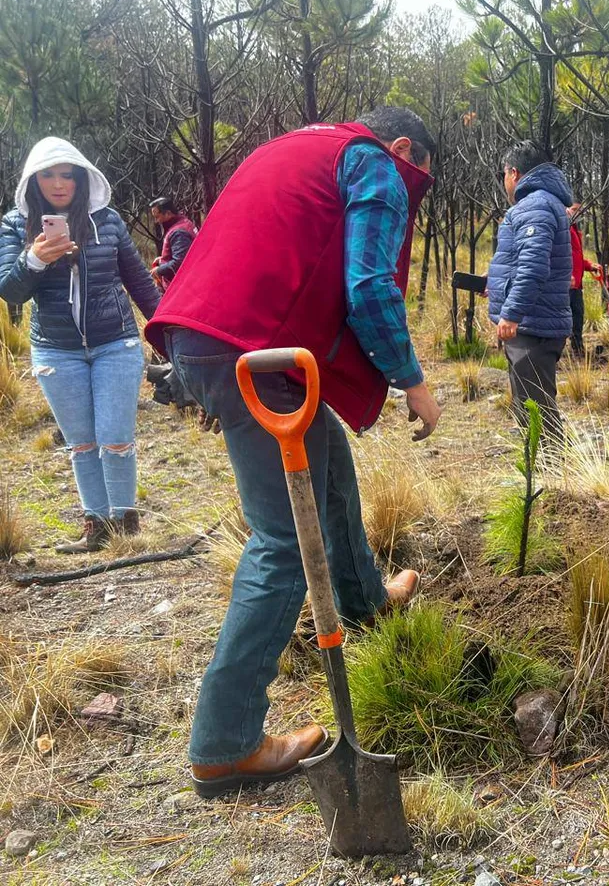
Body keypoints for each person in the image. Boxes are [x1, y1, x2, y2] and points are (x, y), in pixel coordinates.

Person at [144, 107, 441, 798]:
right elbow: (369, 288)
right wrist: (413, 381)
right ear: (402, 148)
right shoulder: (373, 162)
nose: (412, 187)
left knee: (327, 464)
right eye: (418, 174)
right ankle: (225, 743)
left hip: (205, 334)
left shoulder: (297, 146)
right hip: (252, 349)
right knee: (282, 537)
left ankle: (364, 601)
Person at [0, 137, 160, 553]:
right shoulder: (15, 225)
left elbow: (139, 280)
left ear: (80, 177)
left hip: (115, 344)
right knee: (82, 443)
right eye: (48, 175)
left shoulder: (106, 220)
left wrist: (167, 331)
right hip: (56, 350)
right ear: (33, 181)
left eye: (66, 175)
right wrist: (35, 259)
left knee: (115, 436)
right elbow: (11, 292)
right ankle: (97, 526)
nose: (58, 184)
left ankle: (126, 526)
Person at [488, 140, 573, 446]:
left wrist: (511, 312)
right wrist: (498, 283)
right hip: (536, 321)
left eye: (504, 175)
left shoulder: (534, 204)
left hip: (533, 325)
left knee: (535, 407)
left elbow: (535, 265)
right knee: (532, 401)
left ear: (514, 172)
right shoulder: (545, 203)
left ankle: (546, 478)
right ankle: (540, 472)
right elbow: (527, 261)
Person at [567, 202, 602, 357]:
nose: (577, 214)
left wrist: (589, 265)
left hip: (577, 284)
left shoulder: (574, 230)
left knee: (578, 315)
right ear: (566, 210)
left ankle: (577, 347)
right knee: (566, 316)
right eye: (574, 210)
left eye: (579, 212)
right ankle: (559, 351)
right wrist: (565, 275)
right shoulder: (562, 229)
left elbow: (577, 258)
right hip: (566, 283)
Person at [148, 196, 198, 290]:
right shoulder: (184, 223)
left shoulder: (178, 232)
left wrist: (159, 270)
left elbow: (180, 262)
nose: (156, 221)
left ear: (168, 213)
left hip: (181, 288)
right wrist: (162, 259)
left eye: (157, 217)